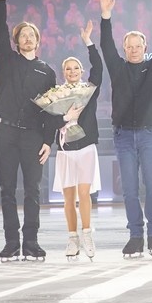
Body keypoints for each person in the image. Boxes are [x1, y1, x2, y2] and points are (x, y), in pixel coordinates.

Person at [99, 0, 152, 259]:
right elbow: (106, 46)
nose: (133, 50)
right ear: (125, 49)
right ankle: (135, 236)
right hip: (123, 136)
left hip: (148, 134)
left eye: (137, 46)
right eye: (129, 46)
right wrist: (105, 17)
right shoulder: (118, 68)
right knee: (130, 190)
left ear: (145, 48)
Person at [0, 0, 56, 262]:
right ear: (17, 41)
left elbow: (51, 111)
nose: (27, 38)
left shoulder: (47, 71)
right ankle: (11, 242)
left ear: (38, 41)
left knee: (33, 190)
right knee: (7, 189)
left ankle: (31, 241)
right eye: (23, 35)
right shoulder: (8, 60)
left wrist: (48, 141)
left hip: (33, 135)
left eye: (32, 35)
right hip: (6, 133)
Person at [54, 20, 102, 261]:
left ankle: (87, 235)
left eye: (76, 68)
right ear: (63, 73)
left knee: (84, 193)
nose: (72, 72)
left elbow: (99, 68)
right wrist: (64, 117)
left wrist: (88, 42)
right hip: (65, 150)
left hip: (86, 149)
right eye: (68, 69)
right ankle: (72, 238)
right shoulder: (56, 95)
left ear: (81, 71)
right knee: (68, 198)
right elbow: (50, 121)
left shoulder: (88, 91)